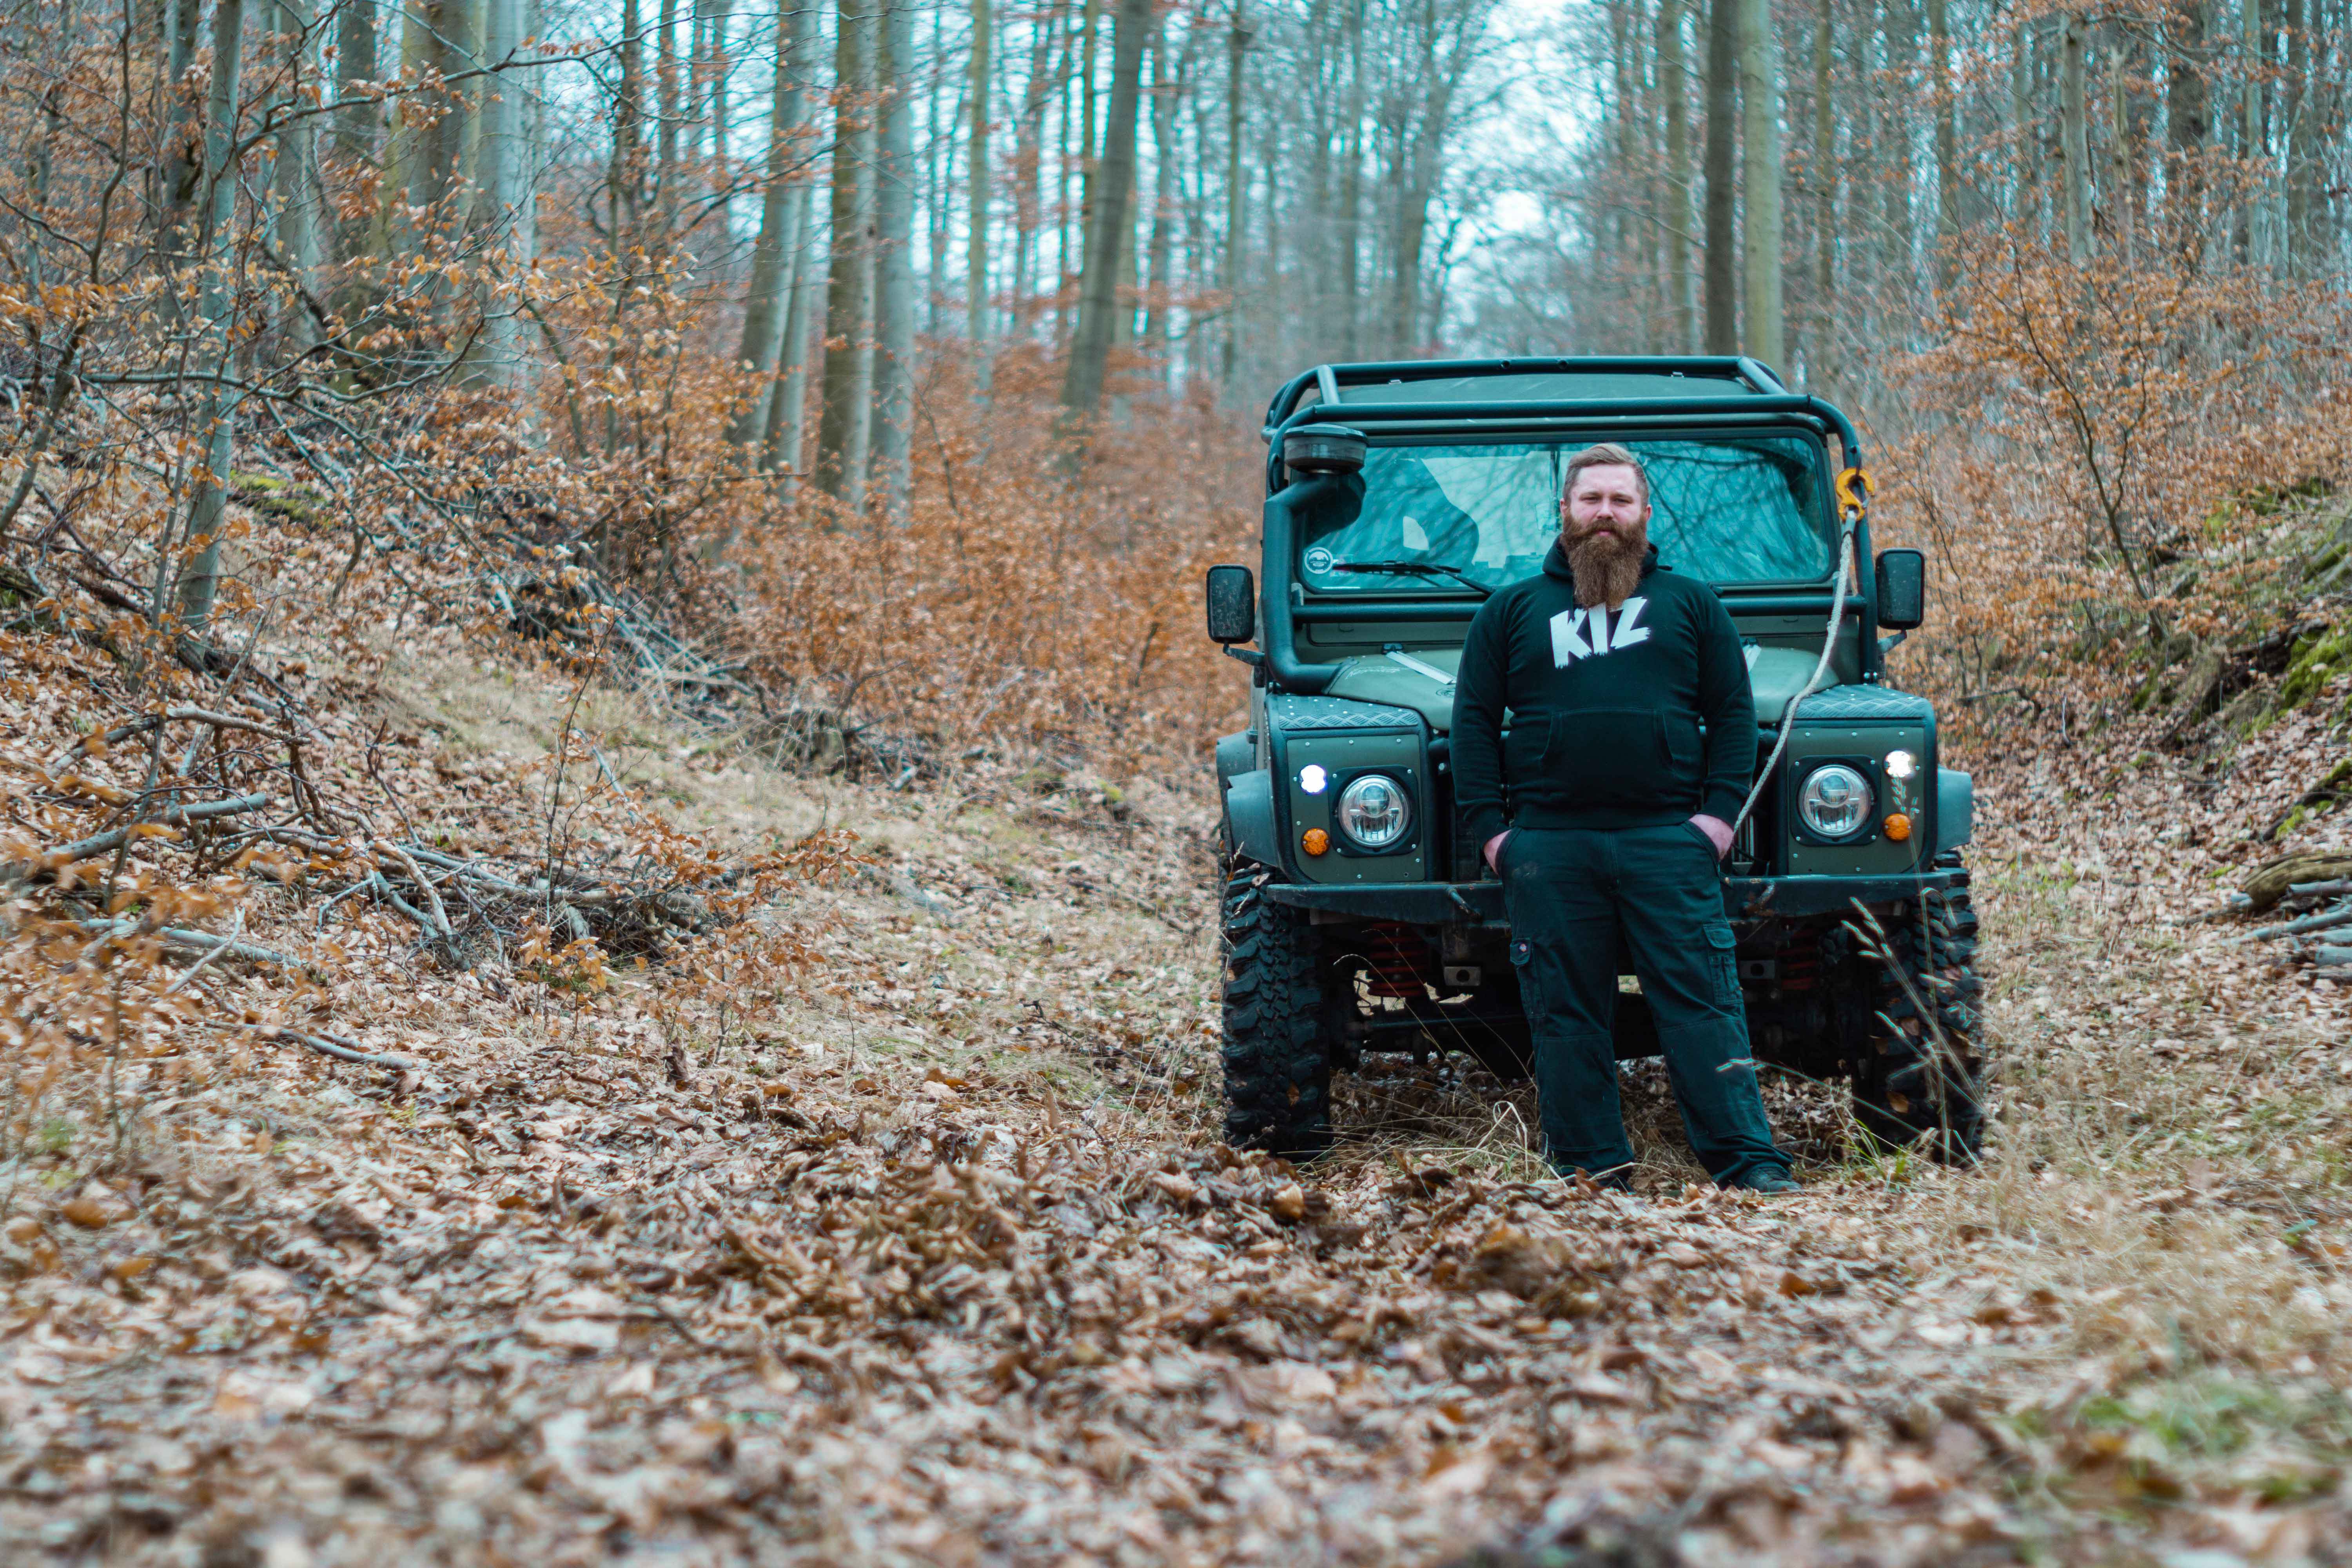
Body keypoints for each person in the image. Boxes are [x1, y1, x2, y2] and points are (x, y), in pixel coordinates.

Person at [1450, 443, 1796, 1194]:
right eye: (1591, 500)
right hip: (1549, 847)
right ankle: (1591, 1169)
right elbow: (1472, 724)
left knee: (1704, 1006)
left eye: (1620, 501)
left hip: (1669, 843)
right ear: (1565, 513)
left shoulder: (1692, 605)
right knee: (1566, 1016)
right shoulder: (1511, 610)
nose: (1605, 514)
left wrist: (1716, 820)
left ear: (1643, 515)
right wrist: (1496, 835)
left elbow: (1733, 716)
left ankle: (1750, 1166)